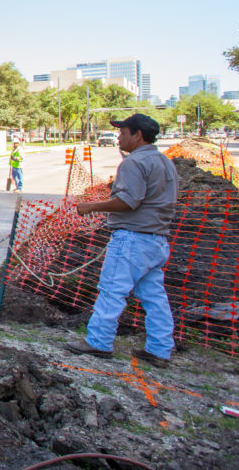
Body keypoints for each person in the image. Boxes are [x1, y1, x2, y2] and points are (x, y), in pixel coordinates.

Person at [65, 113, 178, 367]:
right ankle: (160, 349)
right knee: (155, 298)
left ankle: (99, 342)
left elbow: (128, 201)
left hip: (132, 240)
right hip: (157, 241)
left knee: (111, 292)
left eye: (123, 132)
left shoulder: (133, 163)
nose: (118, 137)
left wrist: (91, 206)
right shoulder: (164, 162)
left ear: (138, 135)